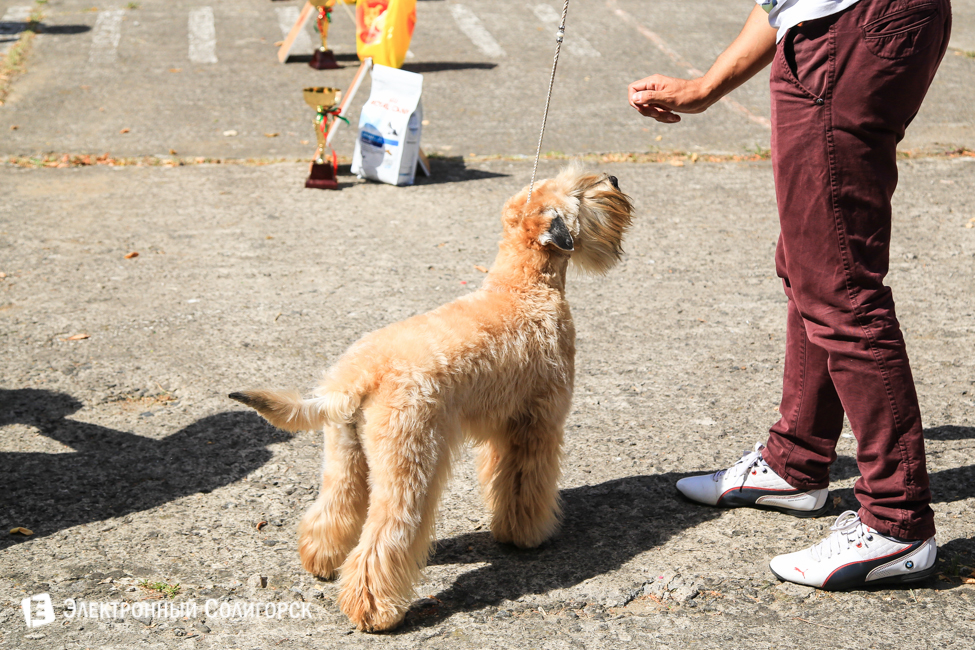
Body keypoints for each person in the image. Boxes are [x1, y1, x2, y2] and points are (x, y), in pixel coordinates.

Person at [628, 0, 952, 590]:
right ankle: (795, 462)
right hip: (848, 22)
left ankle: (896, 522)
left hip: (849, 29)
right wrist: (707, 85)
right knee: (810, 259)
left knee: (840, 285)